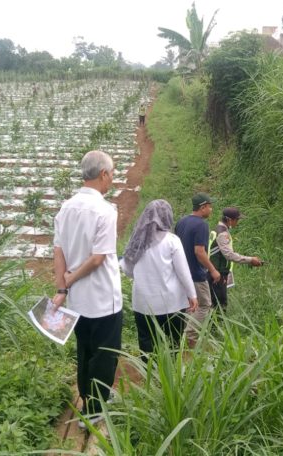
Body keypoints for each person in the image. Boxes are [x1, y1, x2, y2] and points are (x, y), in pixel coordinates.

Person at [51, 150, 122, 428]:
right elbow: (98, 258)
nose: (112, 180)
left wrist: (62, 287)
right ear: (103, 174)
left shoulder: (65, 208)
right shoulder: (105, 210)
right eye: (112, 174)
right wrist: (70, 280)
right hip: (103, 299)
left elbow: (58, 251)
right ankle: (95, 410)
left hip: (78, 302)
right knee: (105, 353)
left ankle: (89, 399)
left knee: (85, 352)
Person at [119, 199, 198, 360]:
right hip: (171, 303)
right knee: (173, 341)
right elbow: (183, 272)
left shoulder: (136, 240)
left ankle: (148, 375)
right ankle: (171, 377)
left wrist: (142, 276)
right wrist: (192, 294)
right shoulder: (172, 241)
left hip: (143, 302)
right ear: (167, 217)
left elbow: (126, 268)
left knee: (146, 341)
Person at [175, 193, 221, 348]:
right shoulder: (201, 225)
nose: (211, 209)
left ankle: (187, 340)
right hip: (196, 273)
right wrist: (213, 270)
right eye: (209, 206)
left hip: (181, 272)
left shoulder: (181, 222)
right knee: (204, 305)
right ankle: (189, 337)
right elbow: (199, 252)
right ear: (203, 207)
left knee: (190, 306)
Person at [208, 207, 263, 310]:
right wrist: (251, 260)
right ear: (229, 220)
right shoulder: (223, 234)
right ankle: (217, 326)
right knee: (220, 305)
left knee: (214, 303)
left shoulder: (217, 229)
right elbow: (229, 255)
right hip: (218, 273)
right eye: (236, 220)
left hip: (214, 270)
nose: (237, 222)